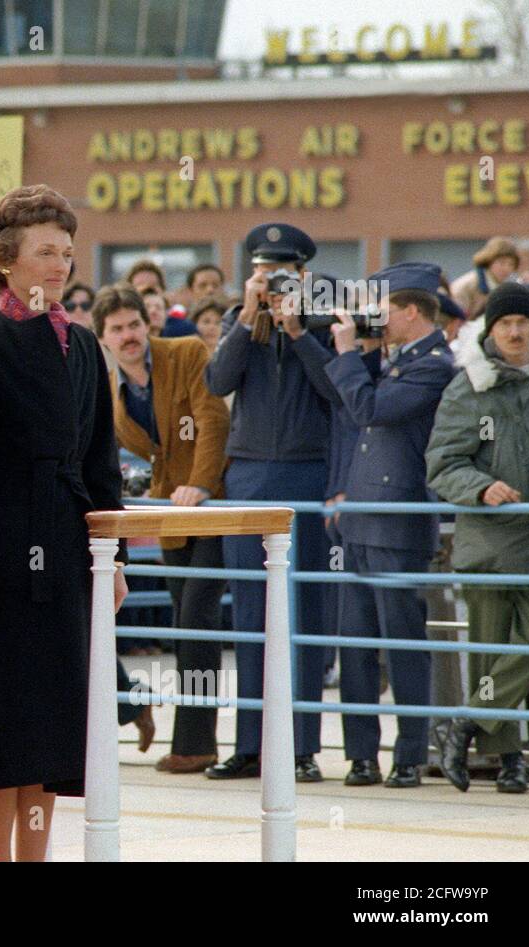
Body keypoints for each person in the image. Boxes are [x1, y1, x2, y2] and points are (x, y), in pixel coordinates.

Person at [0, 186, 154, 862]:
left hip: (66, 546)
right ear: (7, 260)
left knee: (55, 720)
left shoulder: (85, 345)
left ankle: (35, 857)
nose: (60, 263)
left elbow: (101, 464)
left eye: (66, 251)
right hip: (4, 551)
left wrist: (112, 558)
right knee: (1, 713)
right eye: (44, 251)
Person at [203, 222, 336, 782]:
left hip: (306, 474)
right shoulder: (243, 322)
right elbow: (216, 382)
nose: (277, 281)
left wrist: (299, 330)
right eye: (265, 272)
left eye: (285, 272)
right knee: (252, 616)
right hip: (251, 475)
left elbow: (337, 391)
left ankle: (301, 746)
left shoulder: (327, 323)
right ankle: (251, 744)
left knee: (302, 615)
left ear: (305, 275)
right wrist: (248, 317)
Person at [324, 263, 456, 788]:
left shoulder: (435, 365)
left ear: (410, 311)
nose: (376, 320)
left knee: (403, 644)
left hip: (398, 521)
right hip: (360, 518)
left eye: (384, 310)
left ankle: (407, 754)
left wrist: (345, 354)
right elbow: (350, 403)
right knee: (355, 645)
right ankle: (361, 755)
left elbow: (369, 409)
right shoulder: (392, 359)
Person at [97, 283, 230, 774]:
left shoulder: (185, 350)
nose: (128, 335)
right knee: (183, 620)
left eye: (134, 324)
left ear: (146, 324)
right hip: (172, 512)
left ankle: (196, 744)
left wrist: (200, 485)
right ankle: (196, 740)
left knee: (197, 617)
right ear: (104, 338)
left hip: (216, 505)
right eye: (117, 329)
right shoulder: (112, 388)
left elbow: (211, 419)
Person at [428, 283, 529, 794]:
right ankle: (508, 762)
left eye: (523, 322)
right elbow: (442, 463)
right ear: (490, 330)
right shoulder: (469, 385)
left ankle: (466, 721)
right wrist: (480, 486)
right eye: (505, 323)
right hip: (490, 543)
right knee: (491, 656)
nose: (515, 332)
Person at [451, 237, 520, 319]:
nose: (506, 268)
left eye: (511, 264)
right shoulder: (468, 285)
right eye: (502, 263)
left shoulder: (506, 287)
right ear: (489, 260)